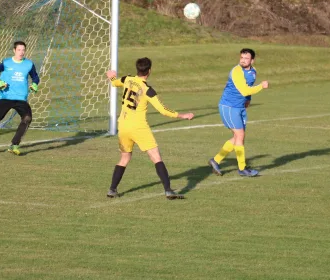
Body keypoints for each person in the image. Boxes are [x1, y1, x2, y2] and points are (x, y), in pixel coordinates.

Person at [106, 57, 194, 200]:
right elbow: (163, 110)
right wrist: (183, 115)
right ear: (149, 71)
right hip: (139, 127)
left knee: (124, 158)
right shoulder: (148, 90)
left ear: (137, 69)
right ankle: (168, 190)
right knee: (156, 157)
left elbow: (115, 82)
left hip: (123, 125)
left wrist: (112, 77)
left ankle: (112, 189)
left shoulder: (127, 79)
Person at [208, 48, 269, 177]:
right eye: (241, 57)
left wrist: (248, 101)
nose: (243, 60)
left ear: (252, 60)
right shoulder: (236, 71)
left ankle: (216, 160)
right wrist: (261, 87)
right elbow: (245, 90)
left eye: (246, 58)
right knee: (240, 135)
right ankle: (242, 168)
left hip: (240, 107)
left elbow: (248, 88)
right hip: (229, 106)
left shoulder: (253, 71)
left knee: (237, 137)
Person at [0, 41, 40, 156]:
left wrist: (35, 84)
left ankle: (14, 145)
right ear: (14, 50)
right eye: (19, 50)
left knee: (27, 118)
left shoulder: (29, 64)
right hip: (6, 97)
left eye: (23, 50)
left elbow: (35, 77)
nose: (21, 52)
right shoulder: (6, 62)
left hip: (21, 98)